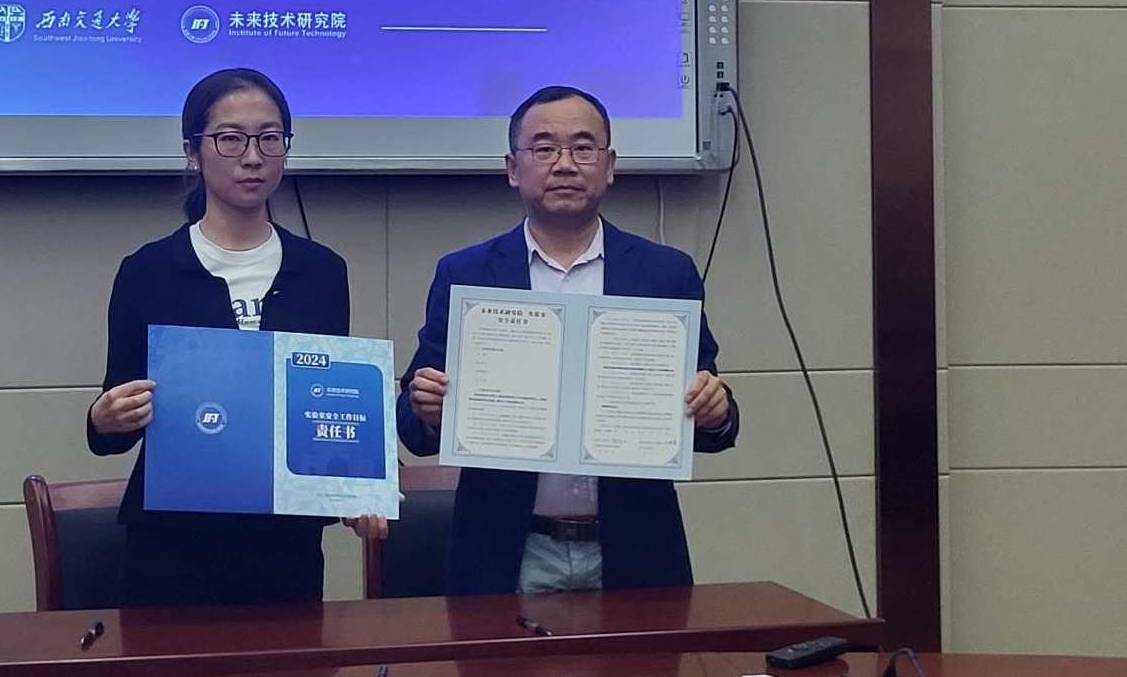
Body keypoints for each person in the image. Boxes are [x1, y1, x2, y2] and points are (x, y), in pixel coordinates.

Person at [397, 85, 738, 595]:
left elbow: (713, 417)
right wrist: (426, 408)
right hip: (506, 552)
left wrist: (716, 410)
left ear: (609, 165)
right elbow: (413, 424)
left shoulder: (665, 274)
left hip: (637, 549)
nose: (564, 164)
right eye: (544, 148)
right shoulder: (467, 274)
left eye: (582, 148)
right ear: (513, 168)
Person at [87, 67, 386, 607]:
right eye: (231, 139)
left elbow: (322, 404)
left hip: (285, 548)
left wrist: (358, 487)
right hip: (172, 546)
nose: (252, 157)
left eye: (270, 138)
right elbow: (113, 426)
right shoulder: (148, 271)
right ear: (192, 152)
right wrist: (104, 417)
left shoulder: (321, 271)